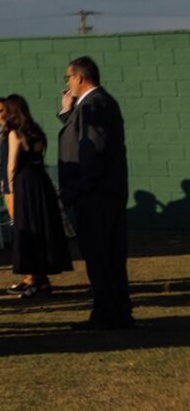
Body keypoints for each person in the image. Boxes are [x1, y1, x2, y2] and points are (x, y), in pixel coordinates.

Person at [57, 56, 134, 330]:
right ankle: (118, 312)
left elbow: (92, 150)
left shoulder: (94, 104)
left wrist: (79, 188)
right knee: (109, 257)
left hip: (96, 195)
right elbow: (80, 137)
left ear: (79, 77)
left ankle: (107, 314)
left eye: (68, 77)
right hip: (103, 193)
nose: (67, 83)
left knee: (101, 257)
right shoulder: (93, 104)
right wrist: (68, 112)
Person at [1, 94, 71, 300]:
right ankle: (42, 280)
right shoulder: (36, 131)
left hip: (25, 184)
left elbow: (12, 165)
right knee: (43, 228)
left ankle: (37, 280)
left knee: (30, 230)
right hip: (41, 182)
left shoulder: (15, 133)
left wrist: (10, 188)